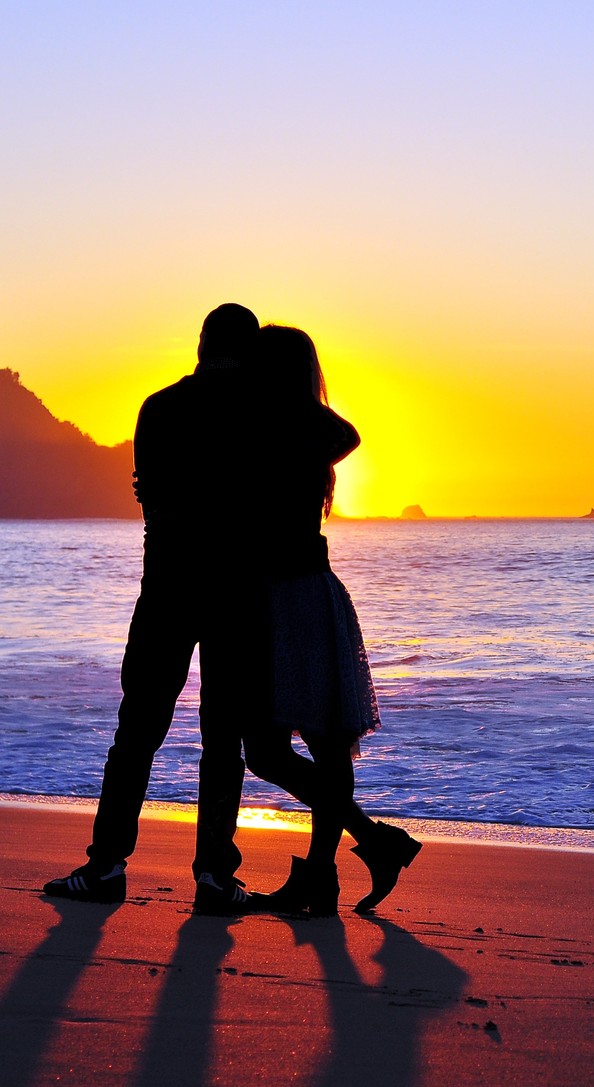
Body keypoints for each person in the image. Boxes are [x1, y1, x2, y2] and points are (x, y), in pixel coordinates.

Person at [43, 303, 269, 914]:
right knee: (223, 741)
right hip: (236, 595)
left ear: (198, 344)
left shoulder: (159, 407)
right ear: (248, 350)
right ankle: (215, 878)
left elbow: (151, 496)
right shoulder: (263, 411)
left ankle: (107, 865)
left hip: (166, 587)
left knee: (137, 731)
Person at [240, 324, 420, 915]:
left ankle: (324, 873)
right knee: (271, 751)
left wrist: (284, 402)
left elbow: (346, 431)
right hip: (279, 599)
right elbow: (341, 431)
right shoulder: (278, 427)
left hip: (296, 599)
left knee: (314, 744)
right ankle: (371, 841)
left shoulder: (284, 427)